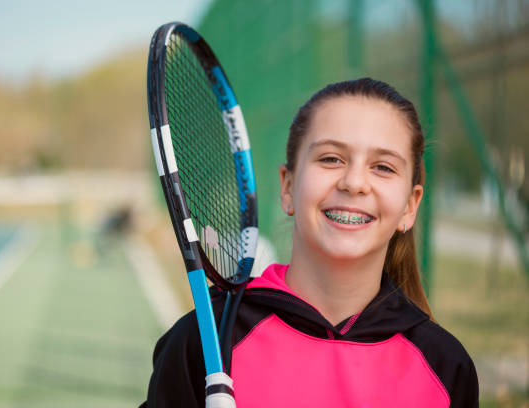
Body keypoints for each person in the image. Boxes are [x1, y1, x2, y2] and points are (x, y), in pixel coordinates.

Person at [140, 78, 479, 407]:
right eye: (331, 158)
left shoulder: (445, 368)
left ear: (409, 206)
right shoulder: (207, 341)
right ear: (287, 188)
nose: (355, 182)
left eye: (383, 167)